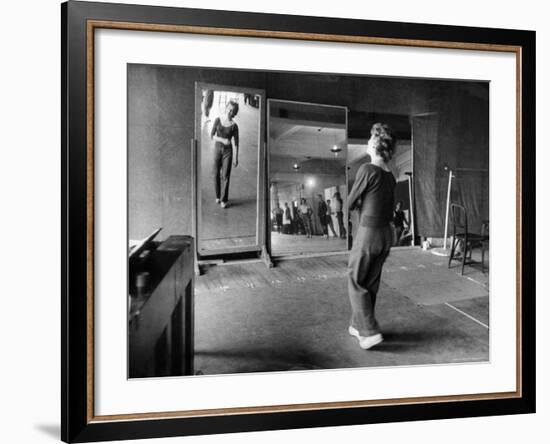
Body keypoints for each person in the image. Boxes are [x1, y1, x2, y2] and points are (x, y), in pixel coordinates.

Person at [347, 123, 396, 350]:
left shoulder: (367, 170)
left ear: (376, 144)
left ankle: (369, 332)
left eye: (369, 138)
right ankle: (359, 326)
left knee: (355, 279)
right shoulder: (390, 176)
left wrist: (357, 202)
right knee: (370, 283)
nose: (367, 141)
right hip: (386, 234)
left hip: (369, 233)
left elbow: (349, 202)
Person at [210, 100, 239, 209]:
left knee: (225, 175)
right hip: (218, 148)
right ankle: (218, 196)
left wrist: (236, 158)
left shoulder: (234, 126)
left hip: (228, 151)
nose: (230, 112)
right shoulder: (218, 120)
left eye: (232, 111)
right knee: (216, 173)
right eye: (229, 109)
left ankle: (224, 199)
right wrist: (223, 140)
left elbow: (236, 142)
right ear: (226, 108)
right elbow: (212, 135)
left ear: (234, 113)